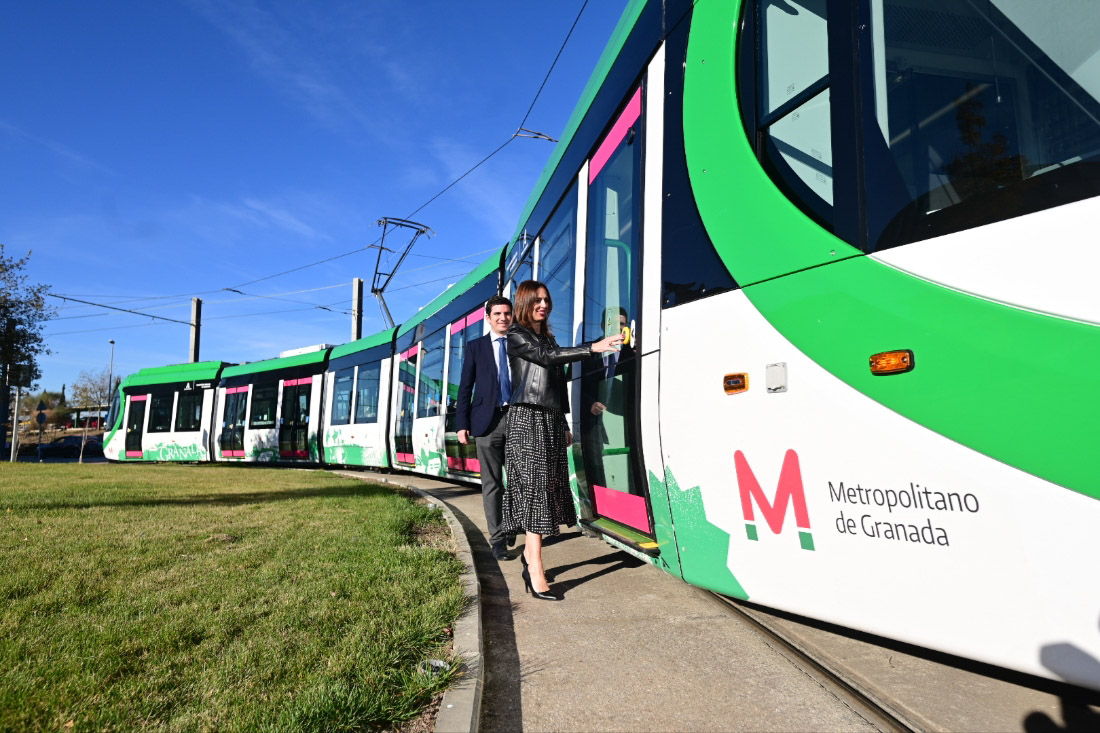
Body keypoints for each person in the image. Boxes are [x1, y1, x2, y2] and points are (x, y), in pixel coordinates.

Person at [501, 280, 623, 601]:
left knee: (548, 486)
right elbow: (547, 357)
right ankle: (536, 568)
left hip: (550, 418)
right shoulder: (517, 335)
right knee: (536, 489)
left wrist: (565, 421)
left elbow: (556, 378)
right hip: (527, 418)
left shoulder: (547, 336)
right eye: (537, 300)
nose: (543, 305)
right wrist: (593, 347)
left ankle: (531, 559)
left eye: (546, 300)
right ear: (524, 303)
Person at [455, 295, 515, 561]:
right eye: (498, 314)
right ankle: (498, 539)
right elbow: (465, 388)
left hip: (517, 419)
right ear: (488, 318)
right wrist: (461, 424)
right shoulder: (475, 347)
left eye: (507, 313)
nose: (503, 318)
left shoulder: (520, 343)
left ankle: (512, 522)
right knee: (492, 484)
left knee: (520, 480)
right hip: (486, 423)